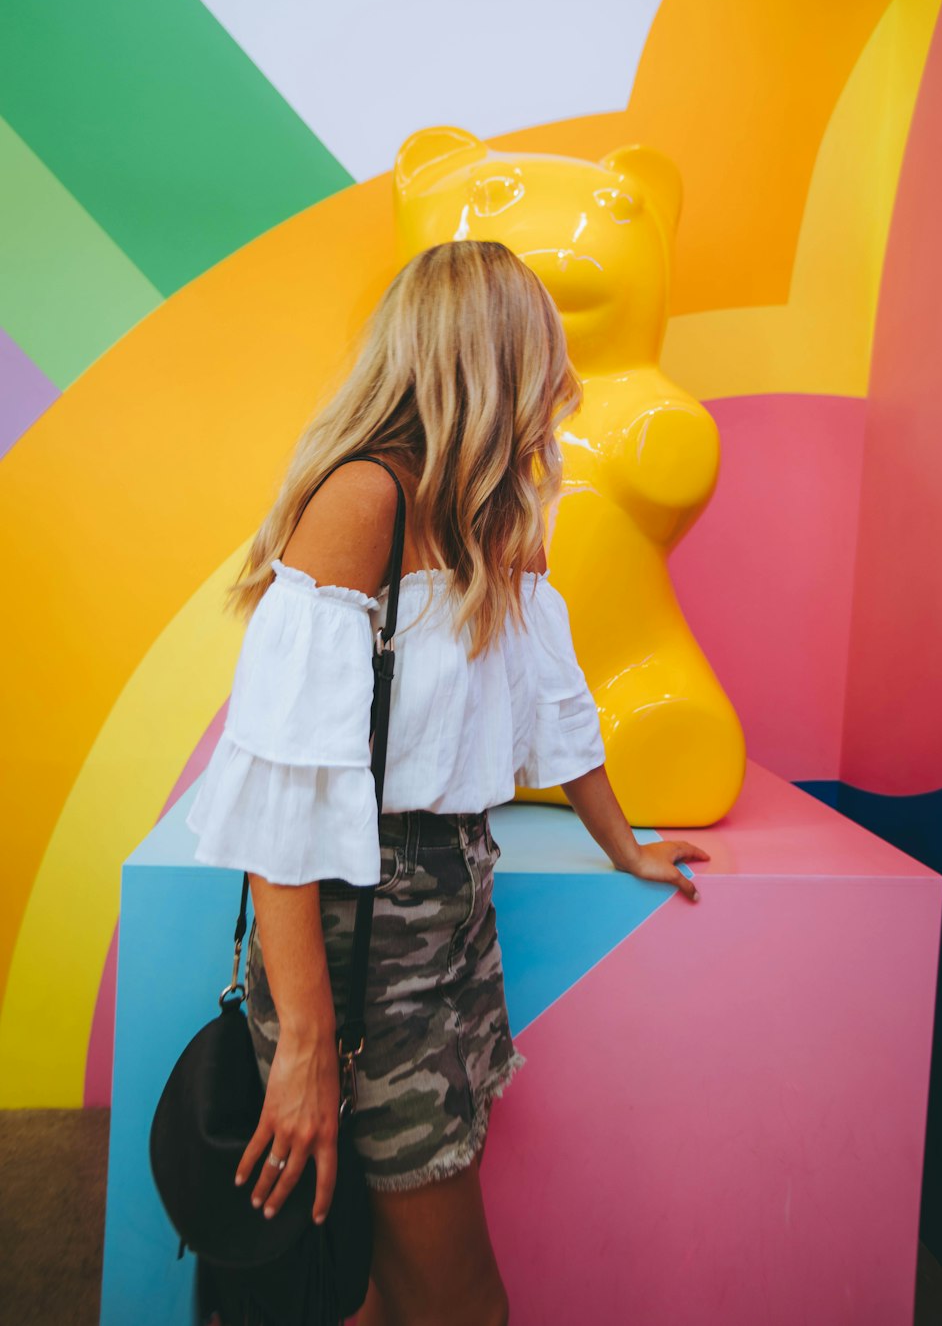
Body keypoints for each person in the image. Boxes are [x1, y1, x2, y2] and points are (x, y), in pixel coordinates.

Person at [186, 238, 710, 1326]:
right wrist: (307, 1046)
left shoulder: (498, 523)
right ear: (489, 361)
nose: (563, 388)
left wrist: (625, 844)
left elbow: (557, 707)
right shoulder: (360, 503)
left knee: (382, 1279)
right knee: (463, 1302)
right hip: (356, 930)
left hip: (454, 901)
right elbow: (286, 809)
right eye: (545, 360)